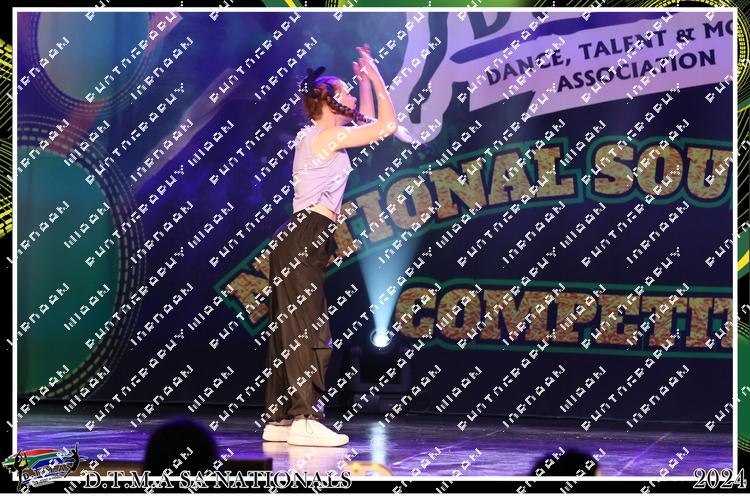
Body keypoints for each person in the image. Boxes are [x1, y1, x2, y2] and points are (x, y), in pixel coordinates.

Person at [261, 44, 397, 447]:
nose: (352, 98)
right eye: (347, 93)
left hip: (297, 235)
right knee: (308, 328)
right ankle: (306, 418)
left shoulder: (315, 135)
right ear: (329, 102)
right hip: (306, 234)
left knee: (287, 330)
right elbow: (386, 126)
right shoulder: (327, 137)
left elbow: (367, 121)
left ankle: (281, 419)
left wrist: (363, 86)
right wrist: (376, 76)